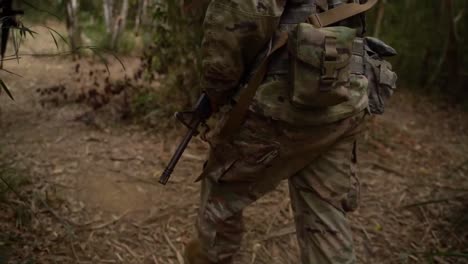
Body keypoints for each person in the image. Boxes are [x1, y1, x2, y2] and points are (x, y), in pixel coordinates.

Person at [184, 0, 396, 263]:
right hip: (343, 98)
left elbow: (242, 16)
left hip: (282, 106)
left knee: (219, 194)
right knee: (326, 220)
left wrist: (216, 91)